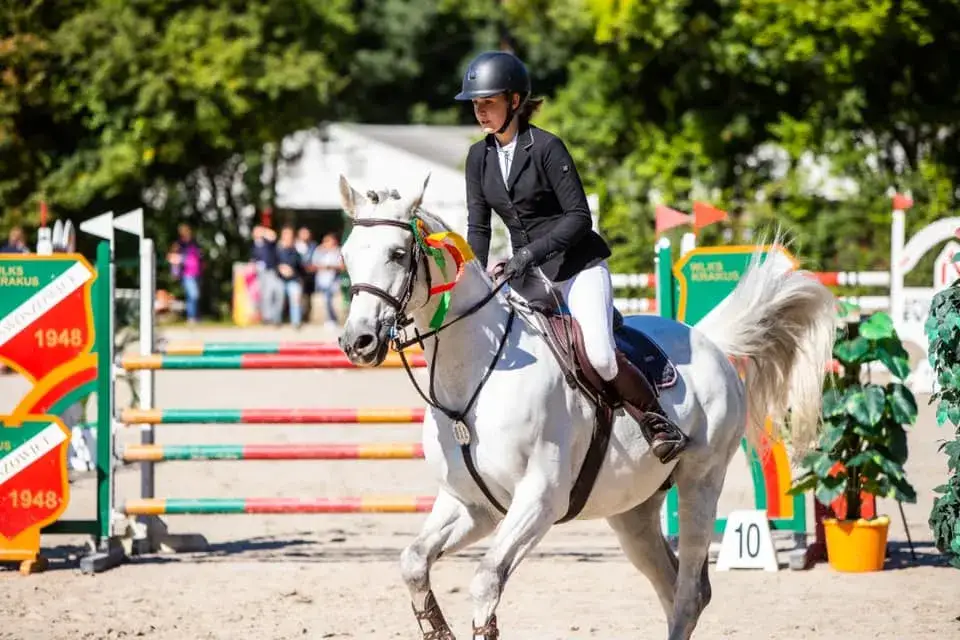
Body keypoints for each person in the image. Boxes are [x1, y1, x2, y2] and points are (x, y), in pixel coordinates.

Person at [455, 50, 688, 463]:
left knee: (599, 352)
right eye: (475, 104)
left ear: (514, 101)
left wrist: (524, 255)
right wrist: (471, 275)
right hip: (526, 278)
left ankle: (655, 421)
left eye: (487, 102)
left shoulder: (546, 147)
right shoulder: (480, 156)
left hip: (577, 268)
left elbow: (579, 218)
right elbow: (479, 227)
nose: (480, 111)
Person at [166, 223, 203, 323]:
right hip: (187, 273)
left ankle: (194, 316)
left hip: (197, 272)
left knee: (193, 295)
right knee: (193, 295)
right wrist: (174, 271)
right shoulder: (179, 244)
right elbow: (171, 257)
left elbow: (200, 256)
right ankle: (192, 317)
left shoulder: (194, 243)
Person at [275, 225, 305, 329]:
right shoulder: (277, 250)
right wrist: (280, 268)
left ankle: (296, 323)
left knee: (295, 298)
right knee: (279, 298)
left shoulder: (296, 252)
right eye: (286, 235)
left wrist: (292, 272)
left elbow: (301, 268)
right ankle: (277, 321)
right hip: (279, 280)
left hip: (294, 280)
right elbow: (272, 264)